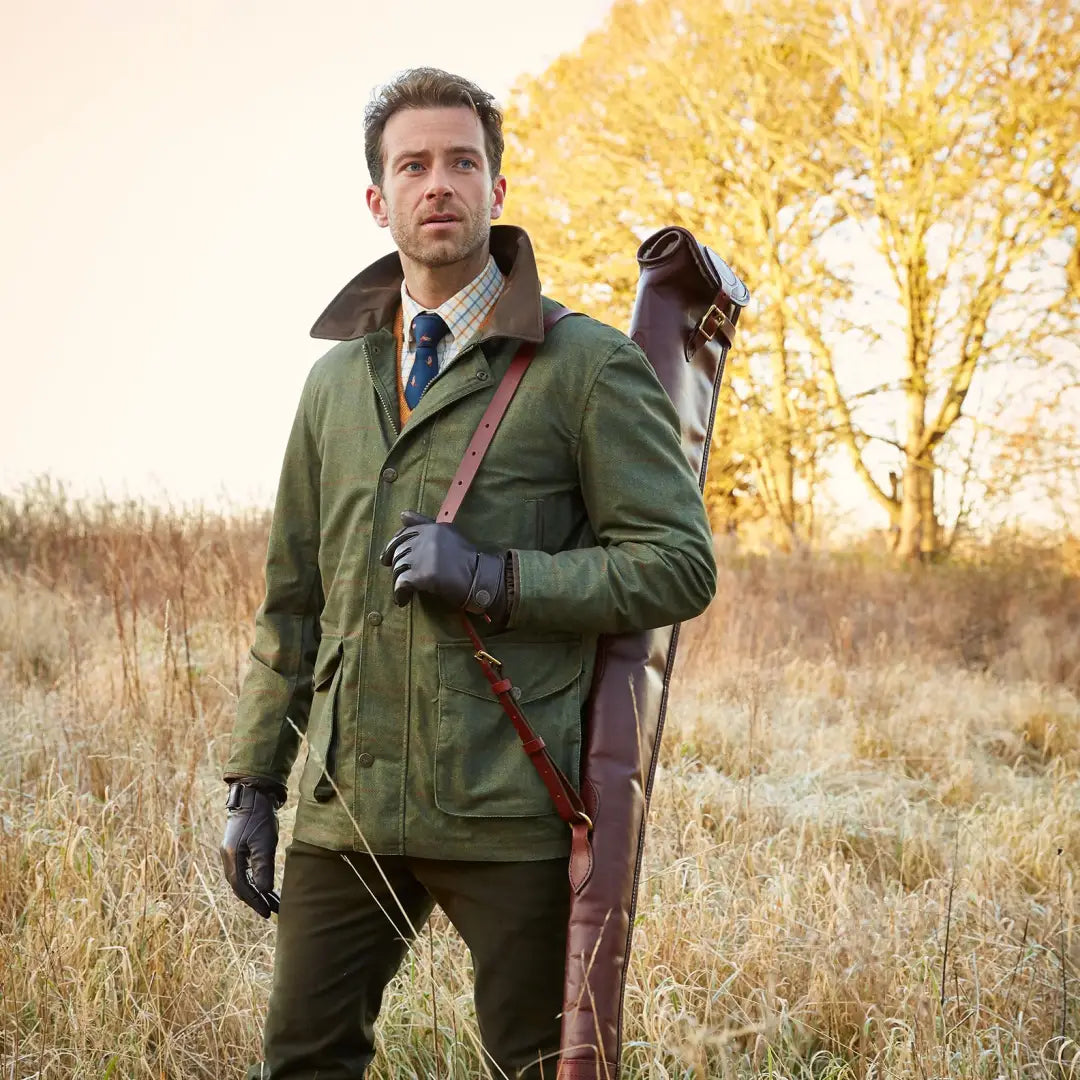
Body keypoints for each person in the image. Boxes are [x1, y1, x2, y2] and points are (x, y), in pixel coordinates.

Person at [220, 67, 717, 1080]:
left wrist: (497, 576)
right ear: (379, 199)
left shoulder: (583, 367)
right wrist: (253, 781)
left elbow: (677, 567)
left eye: (461, 161)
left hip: (511, 803)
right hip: (348, 803)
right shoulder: (334, 382)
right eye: (413, 165)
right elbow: (292, 603)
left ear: (497, 186)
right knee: (303, 1059)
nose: (437, 183)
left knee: (540, 1064)